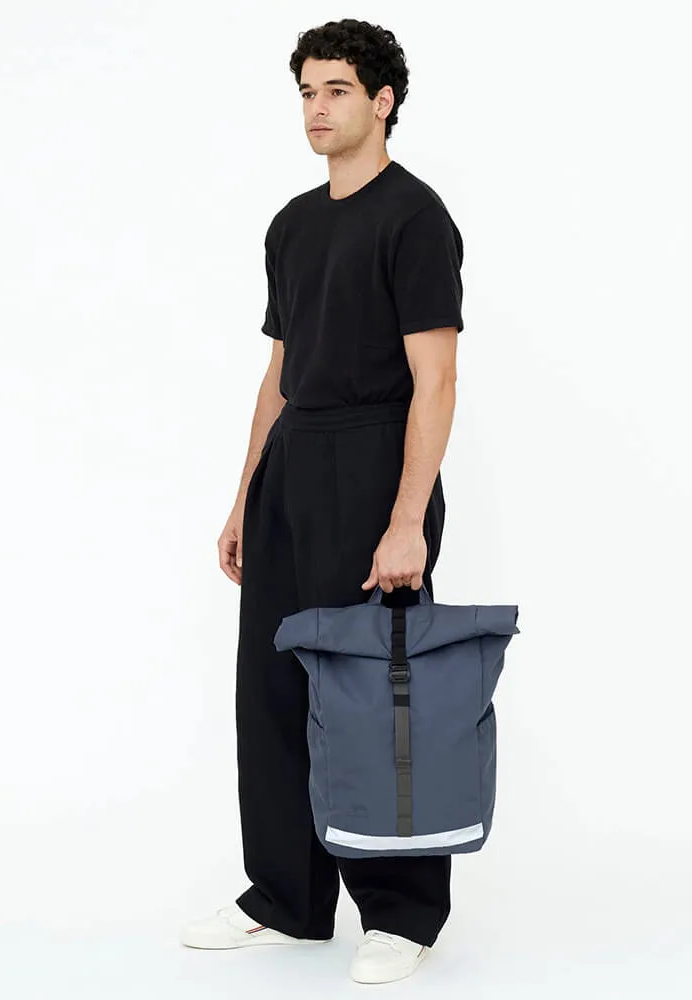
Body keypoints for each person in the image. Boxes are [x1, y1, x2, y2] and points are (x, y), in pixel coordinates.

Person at [180, 18, 464, 985]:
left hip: (376, 461)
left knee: (374, 694)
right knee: (273, 690)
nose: (316, 107)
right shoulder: (293, 224)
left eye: (337, 89)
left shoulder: (415, 217)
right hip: (293, 466)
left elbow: (436, 380)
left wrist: (406, 519)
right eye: (307, 91)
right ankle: (287, 898)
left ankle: (402, 914)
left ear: (383, 100)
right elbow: (279, 372)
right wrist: (244, 497)